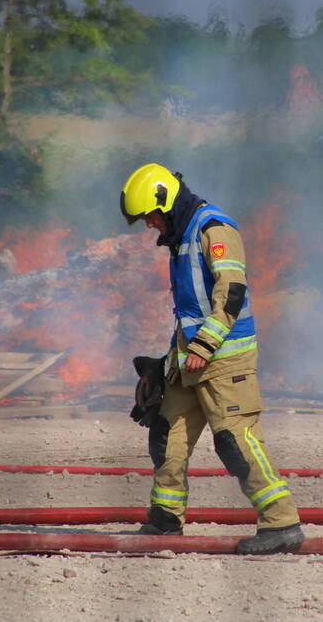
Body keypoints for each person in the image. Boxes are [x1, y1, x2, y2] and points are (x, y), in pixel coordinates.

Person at [119, 162, 305, 554]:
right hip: (191, 360)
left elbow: (231, 292)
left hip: (224, 360)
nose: (149, 225)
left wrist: (203, 347)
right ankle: (165, 523)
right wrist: (167, 361)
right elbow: (191, 307)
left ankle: (281, 523)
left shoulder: (213, 230)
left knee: (234, 441)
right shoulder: (181, 236)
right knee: (167, 434)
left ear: (164, 203)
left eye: (150, 217)